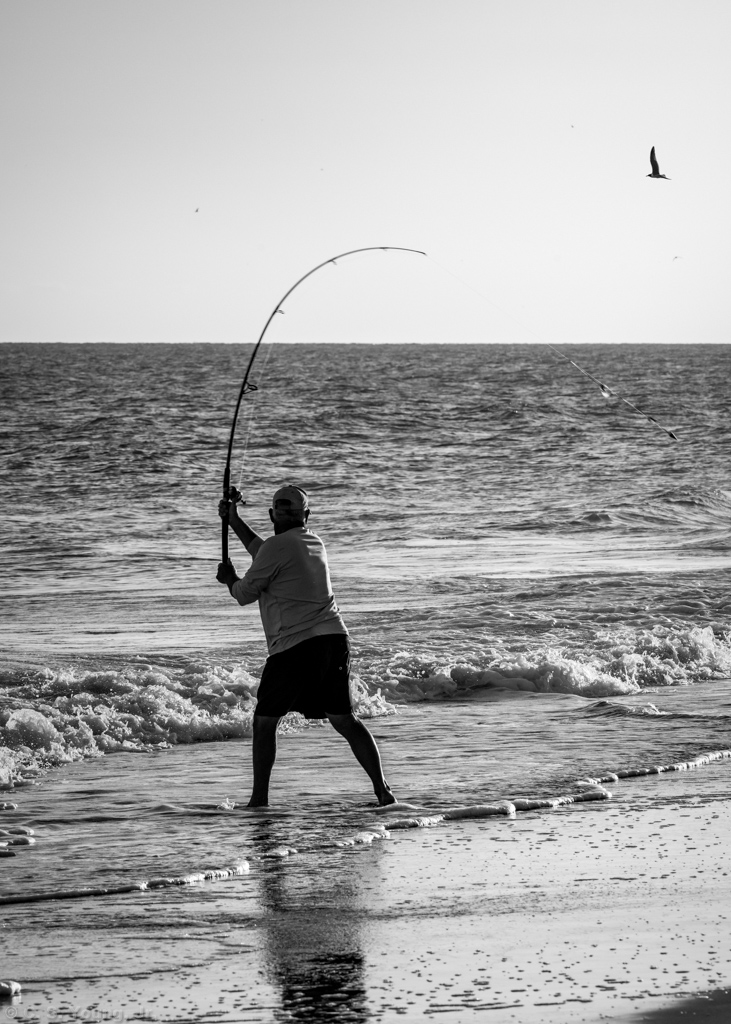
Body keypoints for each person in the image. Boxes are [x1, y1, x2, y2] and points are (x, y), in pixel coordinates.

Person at [217, 484, 396, 808]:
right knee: (344, 719)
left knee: (265, 721)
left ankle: (259, 801)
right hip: (334, 640)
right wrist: (233, 520)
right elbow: (265, 551)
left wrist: (229, 578)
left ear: (273, 515)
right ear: (306, 516)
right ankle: (383, 791)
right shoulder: (314, 543)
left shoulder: (276, 547)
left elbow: (244, 593)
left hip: (295, 646)